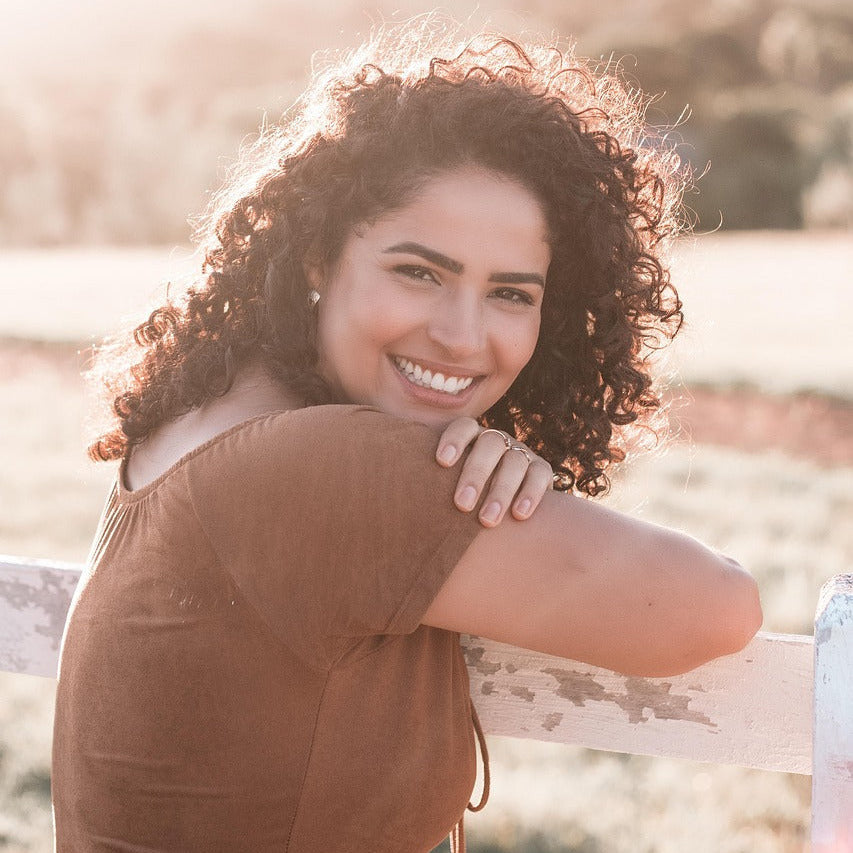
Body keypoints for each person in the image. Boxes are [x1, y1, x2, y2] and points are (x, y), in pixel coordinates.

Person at [51, 23, 762, 853]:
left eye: (510, 293)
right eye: (418, 272)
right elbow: (715, 607)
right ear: (318, 256)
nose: (462, 337)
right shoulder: (328, 466)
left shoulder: (202, 416)